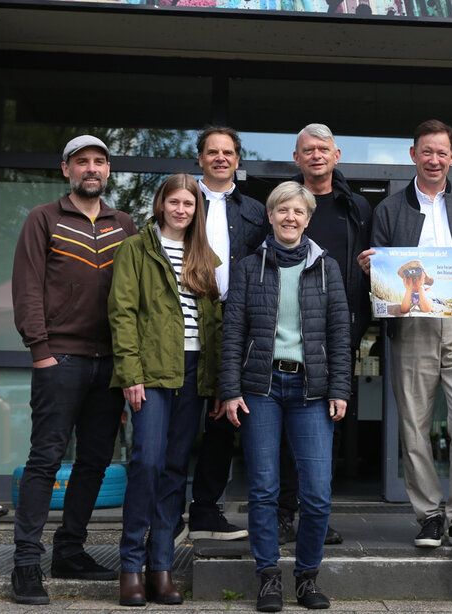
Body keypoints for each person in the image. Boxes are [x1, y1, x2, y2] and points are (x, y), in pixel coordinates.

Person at [359, 119, 452, 550]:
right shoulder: (388, 209)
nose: (434, 159)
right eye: (427, 151)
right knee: (414, 423)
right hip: (412, 325)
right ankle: (428, 516)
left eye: (442, 152)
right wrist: (371, 269)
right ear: (413, 155)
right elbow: (379, 277)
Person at [10, 135, 136, 605]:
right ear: (66, 169)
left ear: (108, 171)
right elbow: (27, 289)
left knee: (95, 462)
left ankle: (70, 550)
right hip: (59, 357)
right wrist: (40, 350)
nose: (91, 169)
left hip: (110, 363)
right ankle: (26, 562)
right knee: (45, 460)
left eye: (99, 162)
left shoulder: (124, 224)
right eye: (82, 161)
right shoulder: (44, 219)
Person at [219, 181, 351, 612]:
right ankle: (268, 577)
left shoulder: (326, 266)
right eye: (282, 211)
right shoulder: (248, 267)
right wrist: (231, 390)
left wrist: (340, 388)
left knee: (316, 493)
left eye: (298, 212)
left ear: (307, 218)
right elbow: (233, 332)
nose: (290, 218)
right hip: (262, 388)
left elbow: (339, 333)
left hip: (312, 390)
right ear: (271, 216)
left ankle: (308, 577)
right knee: (263, 489)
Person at [109, 174, 221, 606]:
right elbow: (122, 313)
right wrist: (130, 374)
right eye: (174, 202)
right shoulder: (136, 248)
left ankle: (161, 567)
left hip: (193, 372)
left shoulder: (203, 255)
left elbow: (212, 323)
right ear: (161, 204)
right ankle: (131, 566)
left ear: (197, 210)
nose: (181, 210)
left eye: (189, 204)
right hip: (152, 372)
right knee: (148, 462)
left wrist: (212, 383)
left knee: (176, 468)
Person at [276, 123, 373, 546]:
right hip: (285, 332)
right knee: (279, 432)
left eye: (323, 149)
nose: (316, 155)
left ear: (337, 155)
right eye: (307, 150)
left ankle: (314, 517)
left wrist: (362, 320)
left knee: (323, 429)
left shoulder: (356, 208)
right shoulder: (286, 202)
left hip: (336, 332)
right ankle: (282, 513)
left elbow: (374, 267)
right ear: (296, 159)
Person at [189, 126, 269, 542]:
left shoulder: (255, 210)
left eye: (228, 152)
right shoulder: (182, 200)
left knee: (223, 423)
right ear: (200, 158)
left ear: (238, 159)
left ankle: (205, 510)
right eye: (212, 152)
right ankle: (163, 512)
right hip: (188, 316)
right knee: (182, 420)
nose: (221, 158)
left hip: (235, 319)